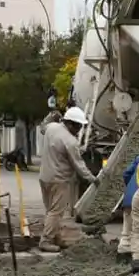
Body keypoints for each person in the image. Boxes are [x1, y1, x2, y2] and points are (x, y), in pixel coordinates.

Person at [38, 106, 97, 252]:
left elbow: (42, 127)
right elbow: (79, 165)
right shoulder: (70, 141)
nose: (78, 130)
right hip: (59, 180)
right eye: (77, 126)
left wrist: (50, 116)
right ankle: (45, 241)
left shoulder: (52, 128)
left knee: (51, 210)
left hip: (45, 177)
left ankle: (56, 237)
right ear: (69, 123)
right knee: (56, 212)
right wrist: (93, 179)